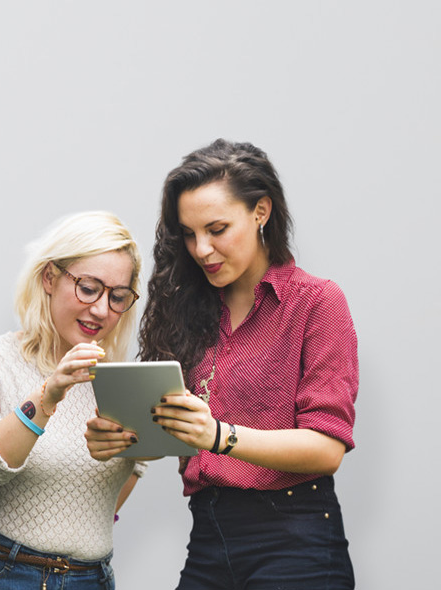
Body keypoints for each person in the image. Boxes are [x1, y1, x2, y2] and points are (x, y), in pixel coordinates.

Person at [85, 139, 356, 588]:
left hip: (295, 541)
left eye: (216, 229)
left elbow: (327, 449)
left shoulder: (318, 302)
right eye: (189, 234)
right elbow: (176, 434)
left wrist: (217, 435)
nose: (201, 249)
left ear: (261, 212)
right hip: (209, 534)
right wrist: (125, 438)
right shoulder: (189, 308)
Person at [0, 212, 145, 589]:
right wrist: (49, 394)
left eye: (118, 297)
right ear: (49, 278)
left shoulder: (119, 381)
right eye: (88, 288)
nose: (102, 310)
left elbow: (130, 474)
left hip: (90, 579)